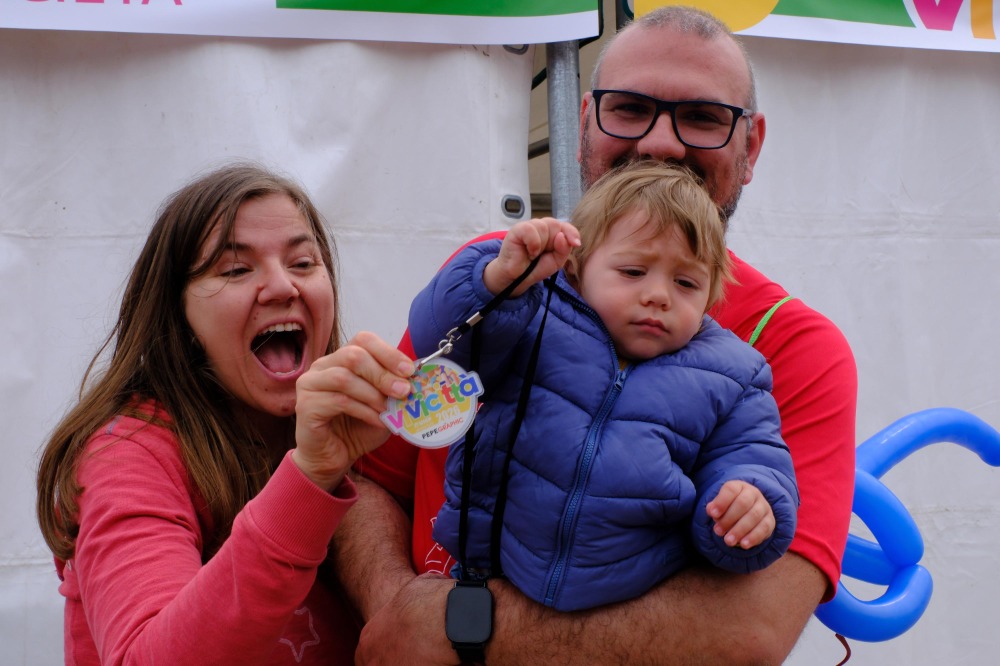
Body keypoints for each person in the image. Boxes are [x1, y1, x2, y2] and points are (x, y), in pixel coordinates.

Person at [336, 6, 857, 664]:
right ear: (584, 124)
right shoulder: (503, 277)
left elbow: (750, 632)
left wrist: (460, 631)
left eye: (702, 117)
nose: (662, 143)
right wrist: (394, 607)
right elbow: (366, 475)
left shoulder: (793, 347)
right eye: (630, 108)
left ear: (749, 147)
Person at [35, 162, 416, 665]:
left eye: (303, 263)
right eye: (236, 270)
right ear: (179, 317)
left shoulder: (361, 427)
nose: (283, 287)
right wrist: (309, 478)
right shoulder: (126, 453)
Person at [409, 161, 798, 613]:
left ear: (711, 295)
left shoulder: (735, 376)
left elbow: (752, 455)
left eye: (686, 282)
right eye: (633, 271)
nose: (659, 295)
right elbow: (445, 342)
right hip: (487, 581)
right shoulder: (534, 314)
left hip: (634, 613)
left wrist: (747, 503)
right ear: (575, 268)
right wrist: (498, 281)